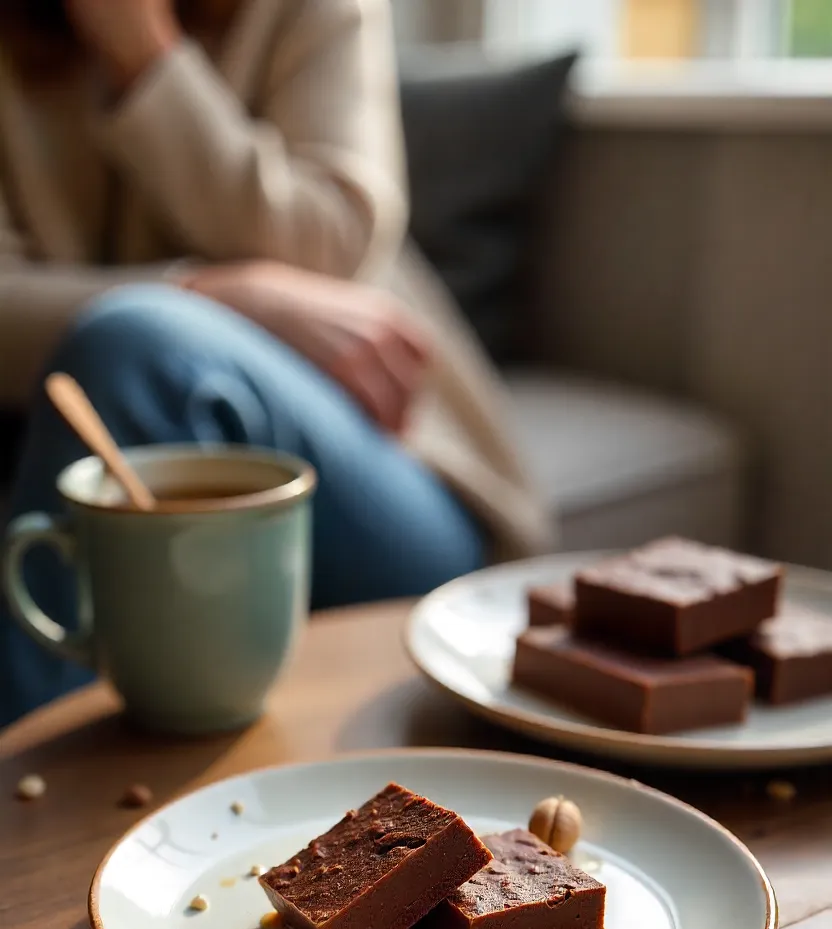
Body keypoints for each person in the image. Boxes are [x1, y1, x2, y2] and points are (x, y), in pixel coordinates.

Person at [0, 0, 552, 727]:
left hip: (388, 466)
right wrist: (212, 294)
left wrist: (144, 56)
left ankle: (18, 799)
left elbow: (331, 239)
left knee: (135, 345)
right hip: (112, 440)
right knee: (137, 341)